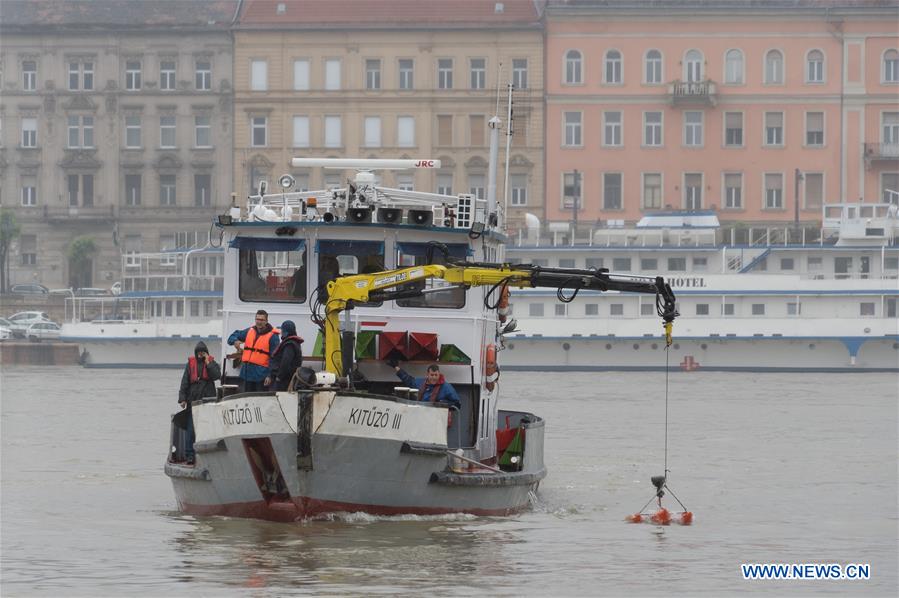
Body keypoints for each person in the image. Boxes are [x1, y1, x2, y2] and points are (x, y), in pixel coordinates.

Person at [178, 341, 220, 464]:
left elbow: (217, 376)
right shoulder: (190, 364)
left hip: (208, 400)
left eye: (203, 353)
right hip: (193, 401)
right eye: (199, 353)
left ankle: (209, 455)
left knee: (208, 427)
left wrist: (208, 363)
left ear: (206, 353)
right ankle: (190, 455)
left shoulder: (212, 363)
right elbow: (184, 382)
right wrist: (182, 398)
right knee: (191, 429)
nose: (200, 355)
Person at [228, 309, 280, 392]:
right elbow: (231, 337)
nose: (259, 322)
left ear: (266, 321)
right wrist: (235, 341)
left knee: (259, 398)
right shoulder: (250, 331)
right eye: (257, 319)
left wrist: (270, 375)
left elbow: (275, 358)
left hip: (261, 375)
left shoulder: (273, 337)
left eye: (262, 320)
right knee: (246, 398)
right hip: (247, 374)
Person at [388, 360, 461, 408]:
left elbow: (457, 404)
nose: (434, 377)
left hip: (437, 418)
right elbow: (408, 380)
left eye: (436, 375)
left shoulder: (446, 387)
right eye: (432, 375)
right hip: (420, 415)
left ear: (439, 374)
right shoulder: (420, 382)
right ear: (427, 375)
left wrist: (442, 404)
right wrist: (396, 367)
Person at [269, 320, 304, 391]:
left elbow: (285, 362)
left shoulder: (289, 345)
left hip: (284, 380)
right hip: (286, 378)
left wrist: (279, 377)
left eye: (282, 330)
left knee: (277, 396)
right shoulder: (293, 343)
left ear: (286, 332)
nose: (281, 332)